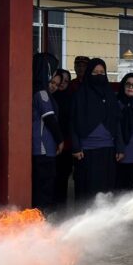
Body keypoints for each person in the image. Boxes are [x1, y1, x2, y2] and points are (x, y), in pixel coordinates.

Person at [69, 58, 124, 203]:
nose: (99, 75)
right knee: (87, 190)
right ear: (89, 73)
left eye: (102, 72)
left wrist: (120, 147)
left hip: (108, 150)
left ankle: (104, 221)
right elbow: (73, 123)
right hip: (86, 152)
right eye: (95, 72)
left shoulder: (110, 95)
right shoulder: (80, 95)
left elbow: (116, 122)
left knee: (106, 189)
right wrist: (76, 147)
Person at [31, 53, 63, 212]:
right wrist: (60, 140)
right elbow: (49, 119)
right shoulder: (42, 93)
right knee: (44, 186)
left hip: (42, 148)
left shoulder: (36, 91)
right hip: (43, 148)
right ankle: (42, 218)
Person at [51, 68, 74, 208]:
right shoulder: (49, 97)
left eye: (66, 81)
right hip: (50, 144)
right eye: (60, 81)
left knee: (63, 177)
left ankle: (61, 208)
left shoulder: (71, 98)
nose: (62, 84)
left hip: (65, 145)